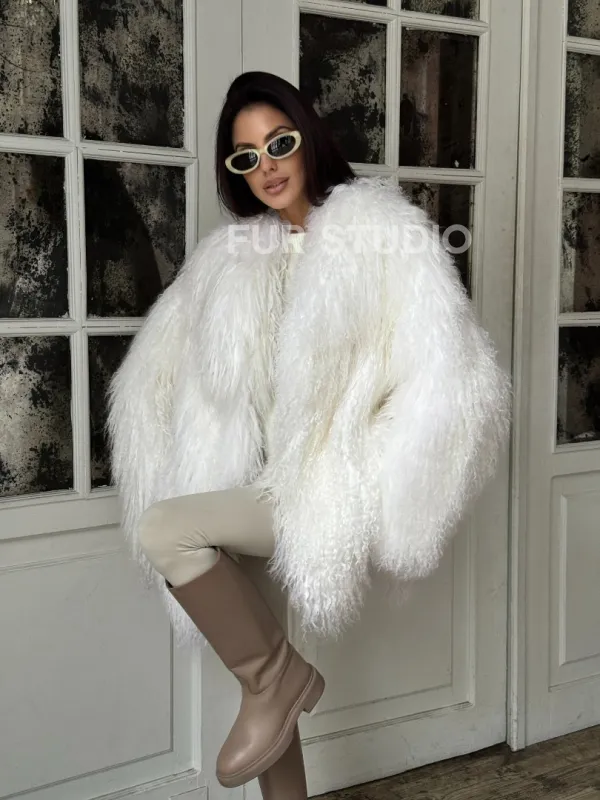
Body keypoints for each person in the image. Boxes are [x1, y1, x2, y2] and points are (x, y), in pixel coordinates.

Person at [107, 71, 511, 798]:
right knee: (268, 697)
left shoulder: (382, 239)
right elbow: (158, 378)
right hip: (250, 486)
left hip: (316, 491)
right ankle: (278, 685)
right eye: (246, 157)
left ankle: (278, 677)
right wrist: (182, 448)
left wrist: (365, 476)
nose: (266, 166)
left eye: (279, 143)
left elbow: (449, 381)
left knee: (168, 534)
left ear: (307, 138)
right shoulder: (229, 261)